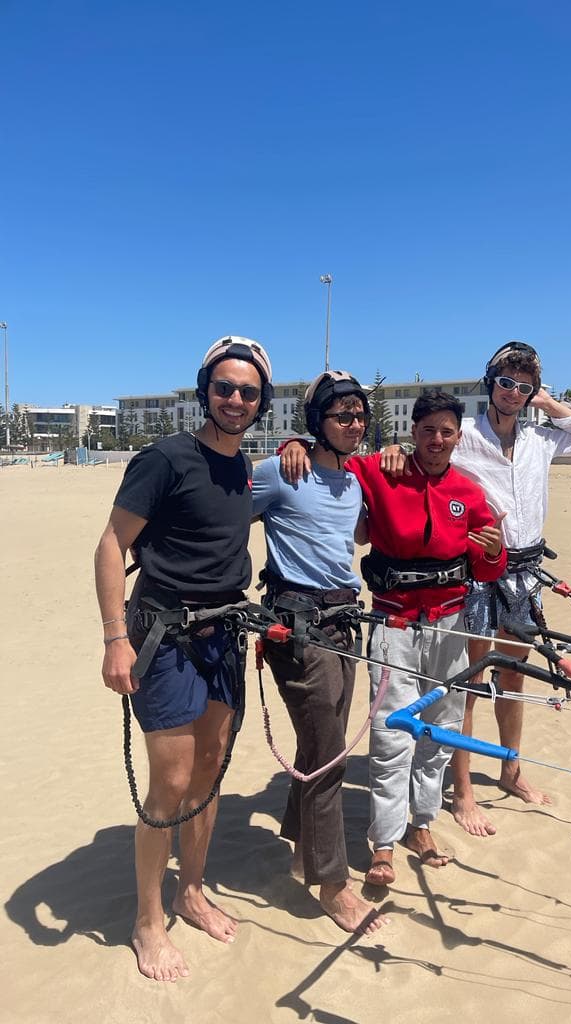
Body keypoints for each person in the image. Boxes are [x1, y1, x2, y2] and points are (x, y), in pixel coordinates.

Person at [95, 336, 273, 982]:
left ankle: (189, 891)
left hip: (225, 632)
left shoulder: (246, 468)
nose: (235, 399)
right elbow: (112, 545)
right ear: (206, 391)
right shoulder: (165, 458)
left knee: (210, 770)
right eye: (224, 387)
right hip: (162, 633)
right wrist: (116, 637)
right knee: (169, 780)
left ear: (261, 401)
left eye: (248, 392)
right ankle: (147, 921)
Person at [280, 390, 506, 884]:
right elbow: (329, 459)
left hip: (449, 627)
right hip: (393, 626)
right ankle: (383, 841)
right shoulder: (381, 472)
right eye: (428, 430)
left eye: (447, 431)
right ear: (413, 433)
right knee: (389, 735)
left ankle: (421, 825)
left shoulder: (468, 493)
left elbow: (489, 569)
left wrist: (495, 549)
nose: (437, 440)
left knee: (439, 731)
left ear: (458, 436)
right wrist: (291, 444)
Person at [383, 342, 571, 836]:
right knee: (470, 681)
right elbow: (422, 451)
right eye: (506, 383)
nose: (513, 393)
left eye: (524, 386)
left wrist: (547, 404)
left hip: (527, 573)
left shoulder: (540, 438)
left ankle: (511, 772)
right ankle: (462, 790)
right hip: (480, 572)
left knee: (514, 677)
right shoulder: (465, 438)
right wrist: (396, 453)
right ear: (491, 383)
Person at [251, 370, 387, 935]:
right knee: (330, 752)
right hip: (296, 626)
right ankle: (333, 884)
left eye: (359, 416)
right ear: (316, 423)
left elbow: (357, 537)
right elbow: (217, 506)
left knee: (318, 740)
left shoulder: (354, 479)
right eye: (341, 416)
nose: (353, 425)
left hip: (342, 623)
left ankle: (301, 846)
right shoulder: (282, 473)